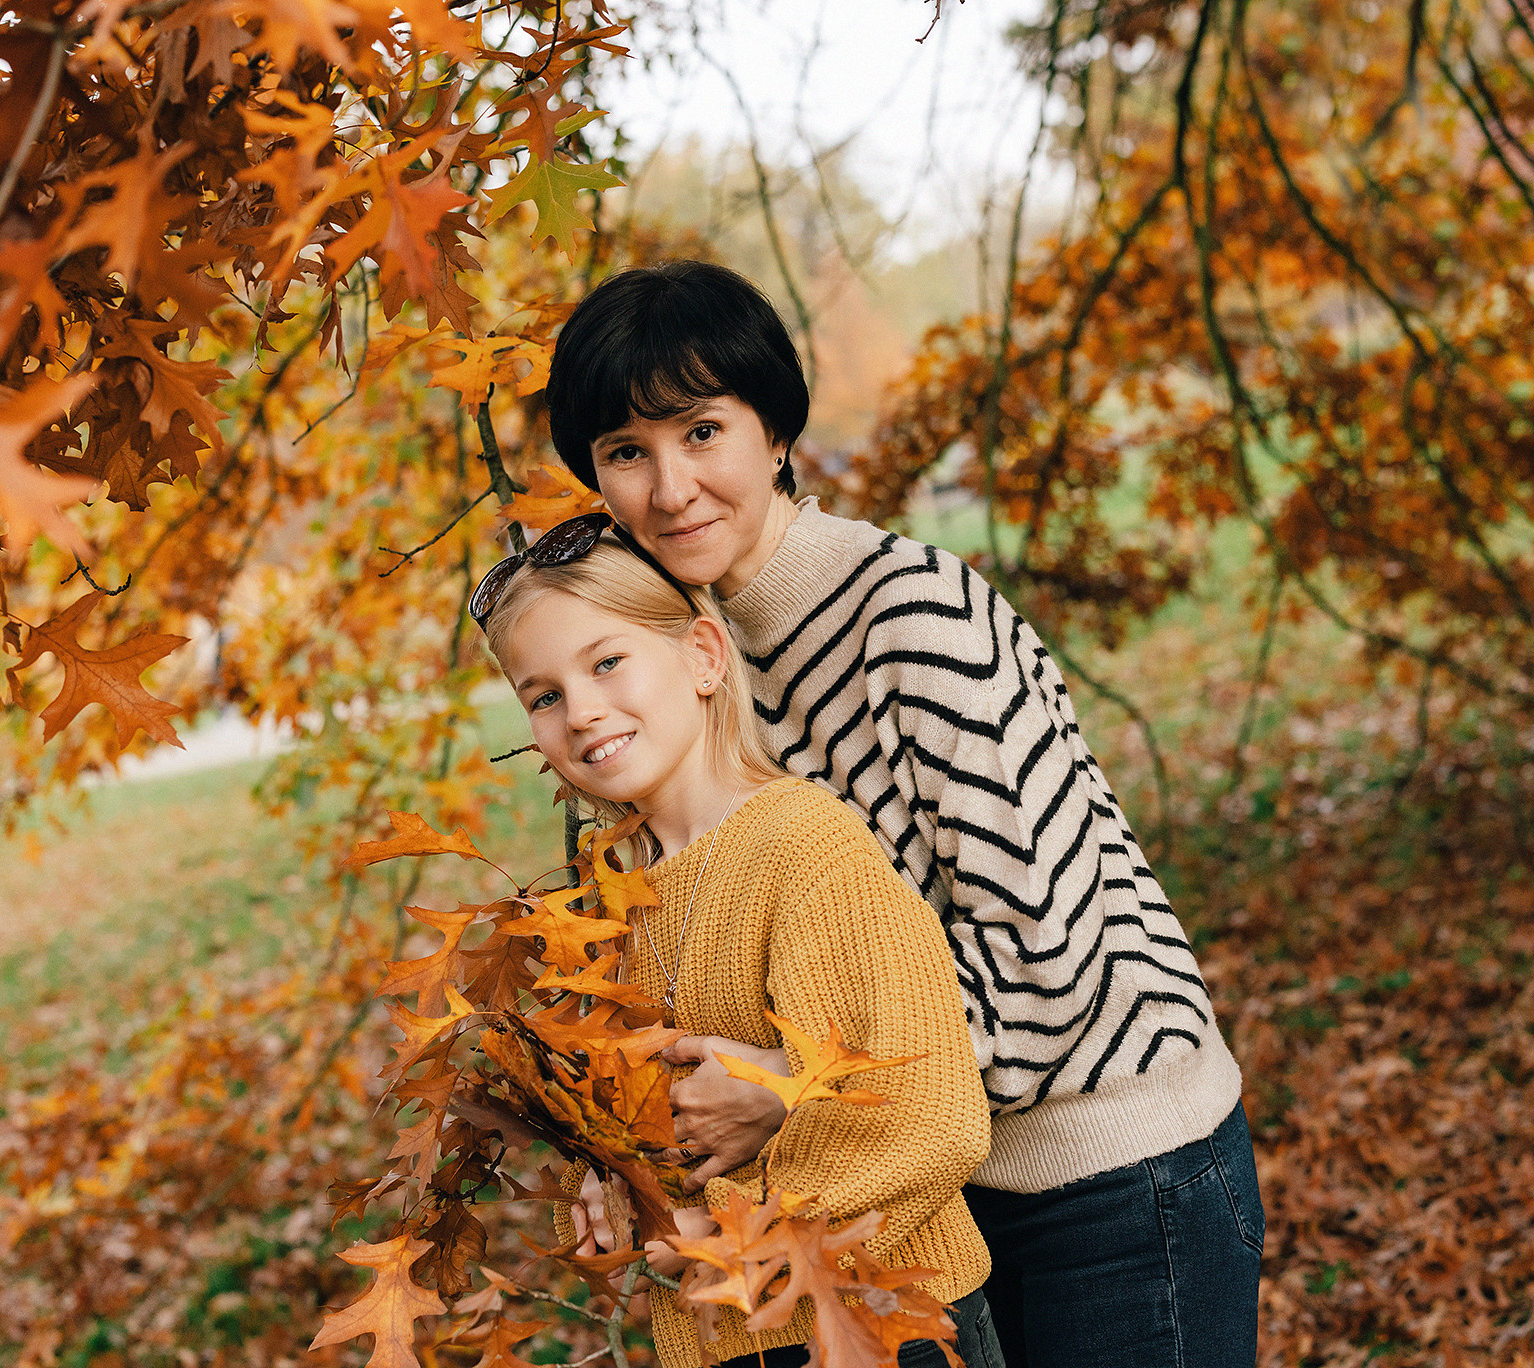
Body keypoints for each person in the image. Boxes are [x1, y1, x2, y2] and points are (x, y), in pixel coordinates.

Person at [542, 260, 1264, 1368]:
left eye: (698, 432)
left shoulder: (918, 618)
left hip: (1111, 1170)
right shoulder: (685, 665)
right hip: (928, 1194)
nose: (669, 487)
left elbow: (1048, 963)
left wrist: (790, 1086)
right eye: (625, 453)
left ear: (772, 430)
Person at [474, 527, 1006, 1368]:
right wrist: (603, 1192)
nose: (580, 711)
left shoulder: (802, 844)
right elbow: (619, 1120)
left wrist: (729, 1234)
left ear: (703, 657)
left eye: (606, 663)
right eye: (542, 695)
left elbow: (929, 1118)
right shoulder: (604, 900)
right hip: (720, 1343)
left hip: (882, 1319)